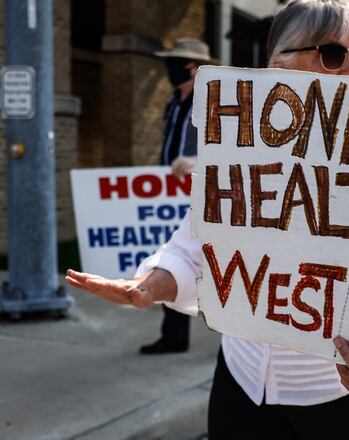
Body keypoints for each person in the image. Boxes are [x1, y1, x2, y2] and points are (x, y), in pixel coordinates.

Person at [66, 1, 349, 439]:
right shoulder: (238, 146)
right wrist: (148, 286)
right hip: (244, 380)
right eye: (333, 54)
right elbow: (197, 243)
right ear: (278, 67)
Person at [139, 37, 214, 355]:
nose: (171, 70)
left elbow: (224, 150)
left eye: (177, 64)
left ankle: (232, 334)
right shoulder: (173, 102)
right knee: (173, 257)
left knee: (214, 265)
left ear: (194, 68)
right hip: (170, 193)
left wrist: (195, 162)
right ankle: (173, 336)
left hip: (203, 192)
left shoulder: (211, 102)